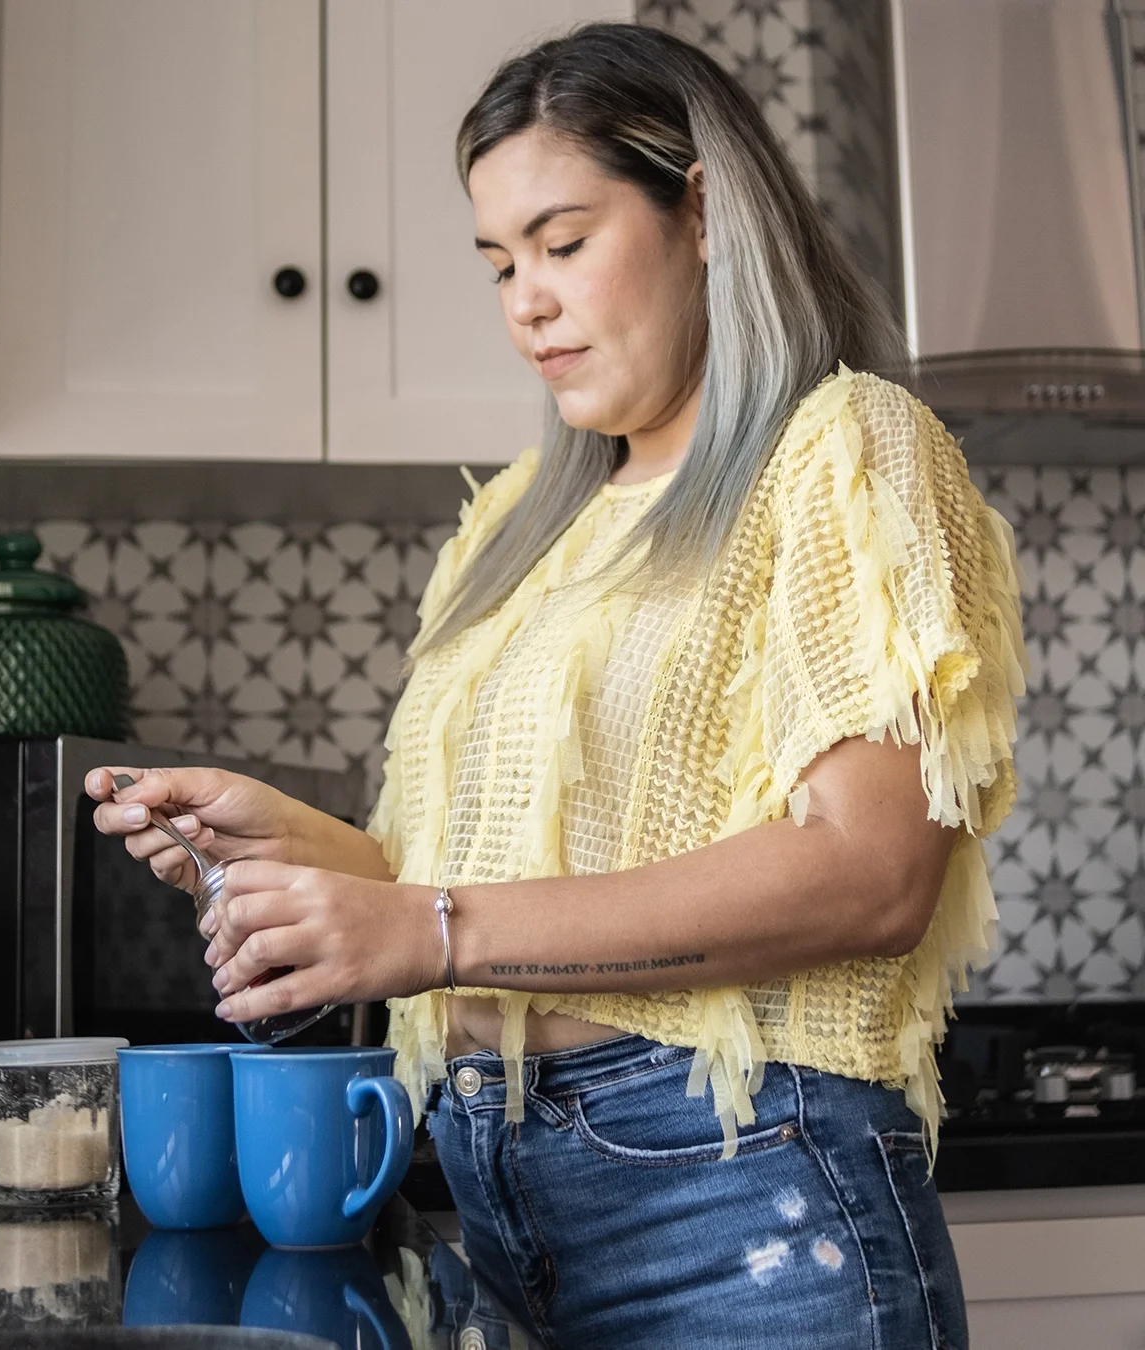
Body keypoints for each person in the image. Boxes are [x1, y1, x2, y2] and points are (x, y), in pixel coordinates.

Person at [85, 23, 1022, 1349]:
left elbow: (872, 874)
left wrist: (427, 922)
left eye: (563, 241)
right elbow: (469, 882)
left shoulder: (843, 451)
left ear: (700, 209)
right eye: (498, 262)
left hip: (746, 1201)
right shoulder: (520, 522)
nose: (524, 299)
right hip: (504, 1202)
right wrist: (301, 856)